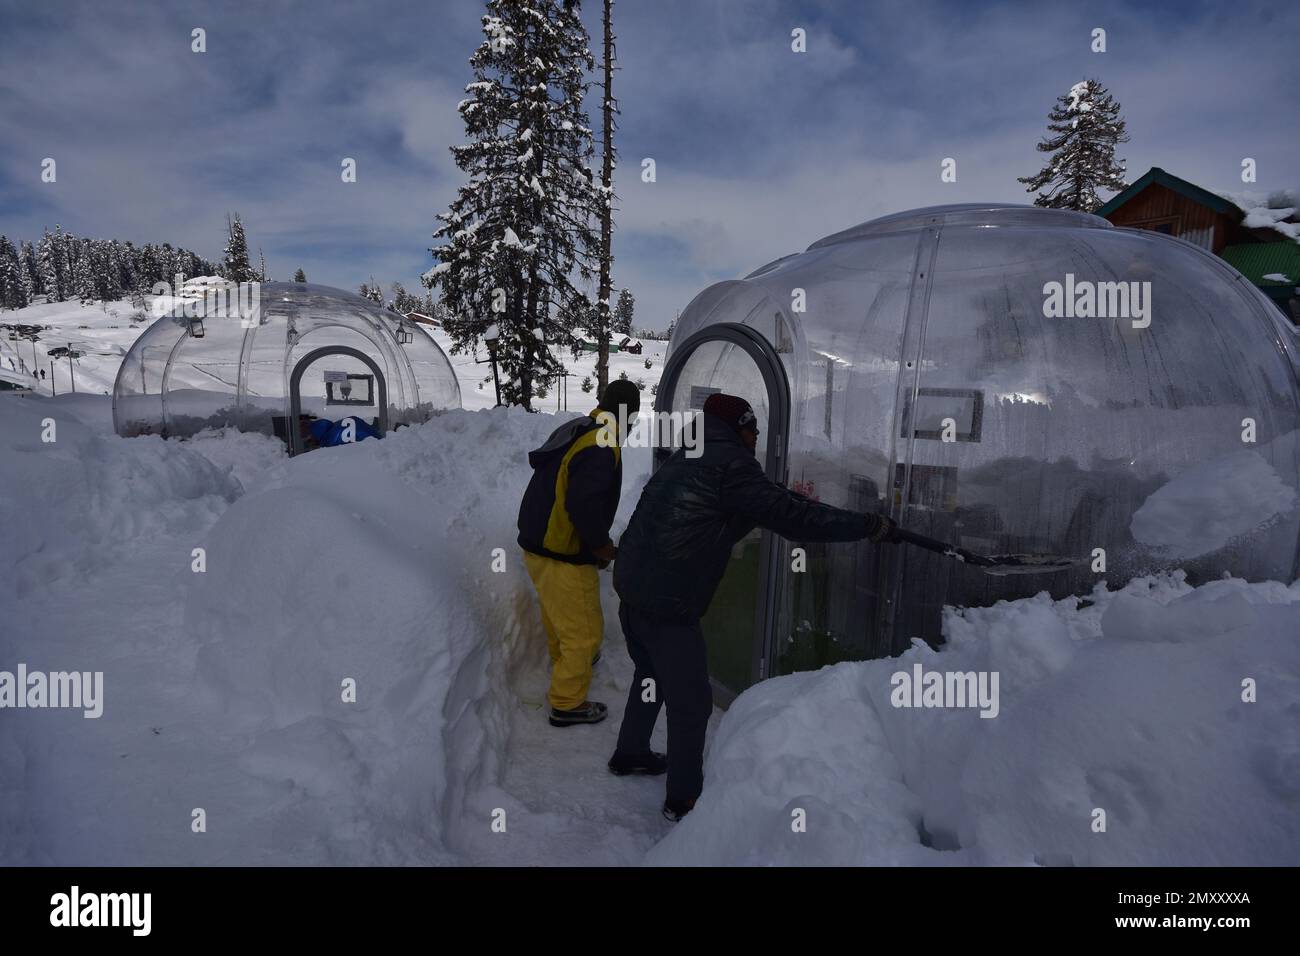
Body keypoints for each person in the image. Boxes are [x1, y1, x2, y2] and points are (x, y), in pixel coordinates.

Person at [610, 393, 901, 820]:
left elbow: (746, 503)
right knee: (691, 703)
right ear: (740, 427)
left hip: (633, 587)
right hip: (667, 601)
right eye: (754, 431)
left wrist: (785, 498)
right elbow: (788, 517)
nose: (756, 439)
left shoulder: (691, 451)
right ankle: (683, 799)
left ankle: (631, 752)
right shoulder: (732, 463)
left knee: (650, 673)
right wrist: (866, 525)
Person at [517, 379, 641, 728]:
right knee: (583, 631)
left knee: (560, 618)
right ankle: (567, 703)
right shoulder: (602, 443)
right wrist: (599, 544)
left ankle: (569, 663)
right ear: (629, 415)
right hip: (561, 550)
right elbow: (584, 503)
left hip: (537, 544)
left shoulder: (581, 427)